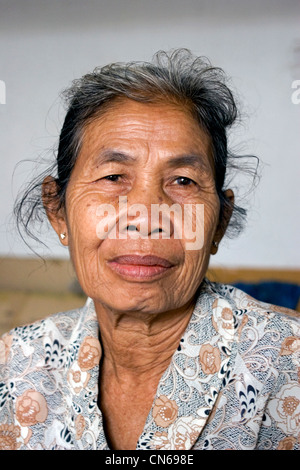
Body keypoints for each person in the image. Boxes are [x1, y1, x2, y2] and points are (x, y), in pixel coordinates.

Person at [0, 49, 299, 451]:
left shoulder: (290, 364)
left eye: (182, 181)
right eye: (113, 176)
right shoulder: (14, 363)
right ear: (59, 213)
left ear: (219, 223)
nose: (145, 216)